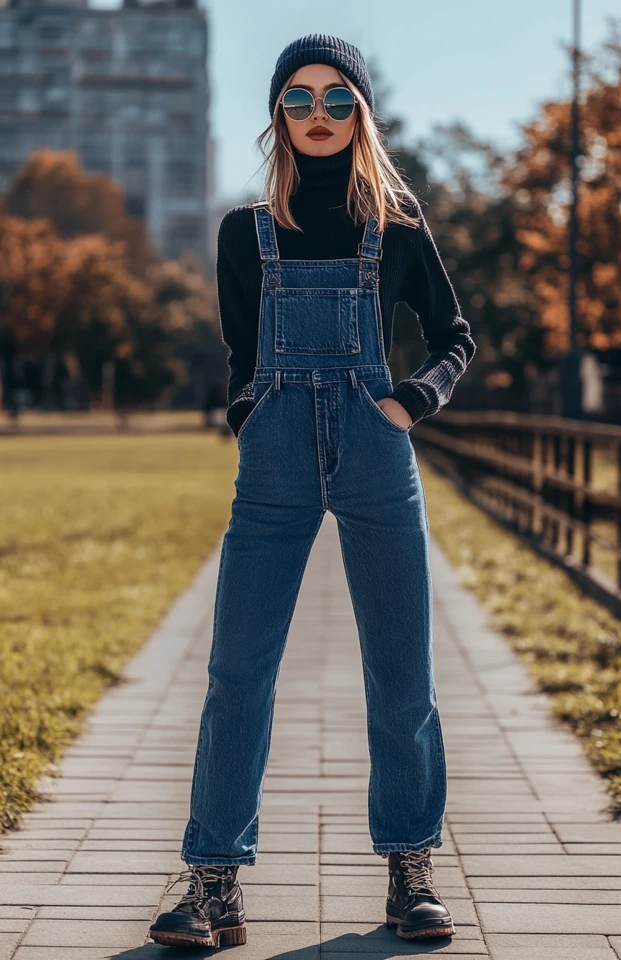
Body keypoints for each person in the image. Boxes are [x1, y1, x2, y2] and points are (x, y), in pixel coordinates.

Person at [149, 33, 476, 951]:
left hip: (377, 451)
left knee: (402, 676)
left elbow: (455, 337)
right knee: (236, 672)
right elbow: (238, 353)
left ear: (360, 113)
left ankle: (410, 867)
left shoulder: (400, 230)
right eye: (300, 99)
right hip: (277, 458)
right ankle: (213, 884)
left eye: (338, 99)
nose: (319, 115)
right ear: (278, 115)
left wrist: (413, 399)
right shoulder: (241, 233)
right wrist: (249, 412)